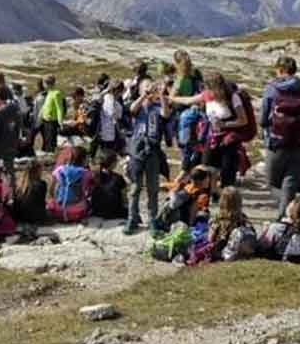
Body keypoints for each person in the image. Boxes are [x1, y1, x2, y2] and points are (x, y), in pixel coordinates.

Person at [171, 72, 248, 189]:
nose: (207, 91)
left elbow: (243, 120)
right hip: (213, 137)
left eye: (208, 88)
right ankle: (210, 195)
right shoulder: (207, 95)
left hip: (229, 139)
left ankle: (225, 197)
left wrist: (225, 124)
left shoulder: (233, 97)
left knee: (227, 172)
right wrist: (171, 97)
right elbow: (188, 100)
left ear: (217, 88)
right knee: (206, 167)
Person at [259, 56, 300, 216]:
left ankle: (285, 215)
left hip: (276, 142)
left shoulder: (272, 89)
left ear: (280, 70)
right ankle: (286, 216)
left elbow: (263, 118)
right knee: (290, 181)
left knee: (271, 183)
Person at [125, 79, 170, 235]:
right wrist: (144, 96)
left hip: (153, 150)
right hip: (137, 150)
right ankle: (132, 218)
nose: (149, 90)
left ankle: (152, 220)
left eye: (151, 87)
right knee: (135, 188)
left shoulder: (158, 107)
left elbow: (166, 113)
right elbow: (131, 109)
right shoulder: (138, 105)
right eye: (145, 87)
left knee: (153, 188)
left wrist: (162, 95)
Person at [258, 199, 300, 263]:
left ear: (290, 212)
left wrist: (265, 231)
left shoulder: (277, 227)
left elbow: (263, 246)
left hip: (280, 256)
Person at [205, 186, 250, 262]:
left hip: (222, 252)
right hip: (239, 251)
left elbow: (210, 239)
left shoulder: (218, 219)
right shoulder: (243, 218)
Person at [0, 87, 21, 173]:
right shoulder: (16, 108)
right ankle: (12, 184)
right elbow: (19, 126)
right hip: (12, 143)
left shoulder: (0, 112)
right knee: (9, 167)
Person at [89, 149, 128, 220]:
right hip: (114, 212)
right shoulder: (118, 177)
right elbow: (124, 197)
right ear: (113, 163)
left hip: (96, 210)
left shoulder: (94, 175)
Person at [12, 159, 50, 225]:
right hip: (35, 218)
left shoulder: (19, 184)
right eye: (41, 170)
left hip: (20, 217)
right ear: (38, 171)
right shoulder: (41, 184)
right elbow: (41, 203)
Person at [39, 75, 65, 152]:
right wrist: (40, 114)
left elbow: (59, 108)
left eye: (44, 83)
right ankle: (47, 153)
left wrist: (60, 121)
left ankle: (50, 155)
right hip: (45, 120)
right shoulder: (49, 92)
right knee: (47, 140)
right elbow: (45, 105)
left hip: (51, 121)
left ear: (47, 84)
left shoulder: (56, 93)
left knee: (51, 141)